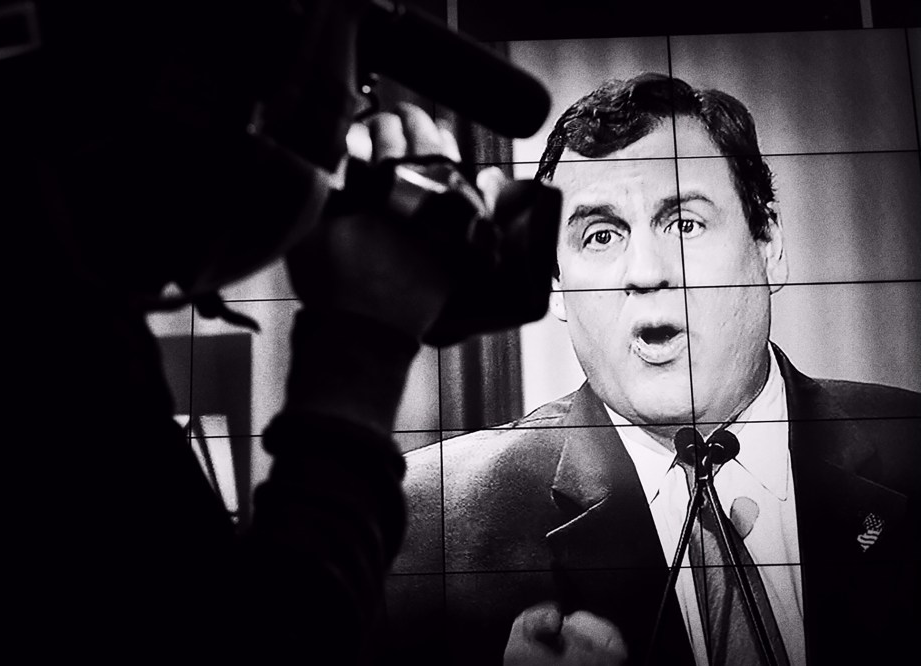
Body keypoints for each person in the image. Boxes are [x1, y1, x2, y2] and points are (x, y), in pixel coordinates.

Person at [0, 3, 519, 662]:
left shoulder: (30, 277)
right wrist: (362, 348)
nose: (330, 154)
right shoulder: (28, 329)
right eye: (331, 105)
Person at [386, 74, 920, 665]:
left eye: (684, 224)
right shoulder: (422, 525)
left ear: (768, 244)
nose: (644, 271)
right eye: (601, 235)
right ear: (556, 285)